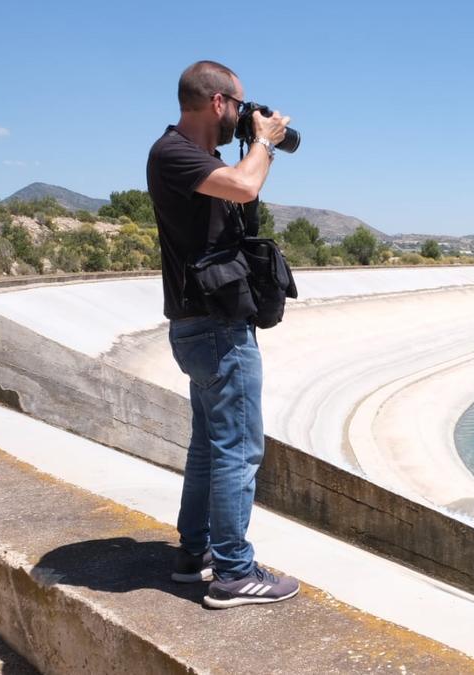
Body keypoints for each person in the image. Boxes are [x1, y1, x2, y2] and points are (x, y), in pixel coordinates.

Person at [146, 60, 298, 608]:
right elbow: (245, 184)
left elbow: (238, 197)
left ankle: (195, 553)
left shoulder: (196, 157)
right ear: (218, 103)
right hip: (214, 327)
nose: (243, 113)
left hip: (204, 324)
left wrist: (254, 141)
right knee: (238, 447)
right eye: (239, 104)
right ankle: (235, 572)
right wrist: (264, 142)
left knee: (210, 447)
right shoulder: (173, 153)